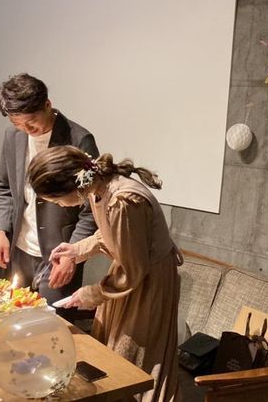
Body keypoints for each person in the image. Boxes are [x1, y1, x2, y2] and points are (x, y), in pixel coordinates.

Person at [28, 145, 182, 402]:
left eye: (56, 201)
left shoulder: (124, 201)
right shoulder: (96, 187)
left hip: (145, 283)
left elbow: (133, 268)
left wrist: (91, 293)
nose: (60, 206)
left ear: (72, 187)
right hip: (129, 274)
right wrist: (76, 250)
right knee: (111, 349)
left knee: (134, 357)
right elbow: (113, 234)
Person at [0, 74, 98, 315]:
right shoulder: (13, 136)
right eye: (17, 123)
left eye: (31, 122)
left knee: (52, 323)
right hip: (18, 248)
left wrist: (72, 254)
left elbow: (91, 207)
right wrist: (0, 230)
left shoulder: (78, 139)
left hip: (58, 252)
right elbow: (5, 187)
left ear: (47, 105)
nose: (26, 130)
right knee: (10, 316)